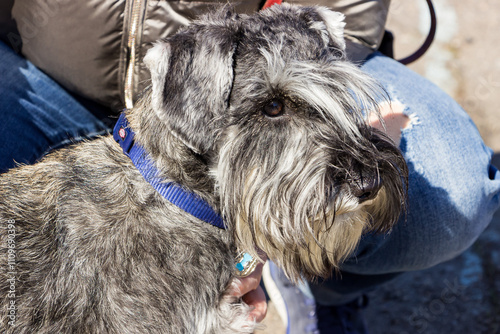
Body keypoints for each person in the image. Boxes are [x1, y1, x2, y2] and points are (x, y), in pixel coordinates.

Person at [0, 1, 498, 333]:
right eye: (275, 113)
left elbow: (345, 13)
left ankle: (319, 281)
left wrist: (292, 33)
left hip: (269, 56)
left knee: (447, 193)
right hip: (39, 76)